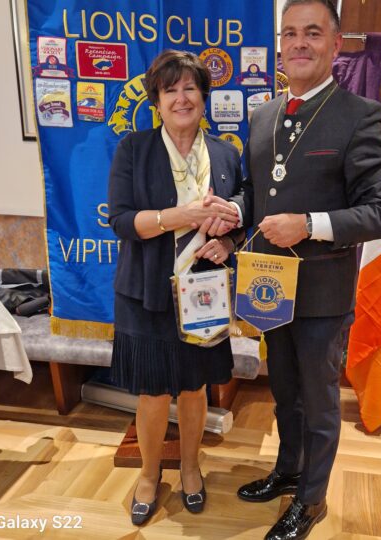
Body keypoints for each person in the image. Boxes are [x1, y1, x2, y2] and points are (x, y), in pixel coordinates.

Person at [230, 1, 381, 538]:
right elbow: (255, 192)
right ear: (280, 46)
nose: (299, 43)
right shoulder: (262, 116)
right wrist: (231, 211)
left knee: (320, 402)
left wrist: (308, 224)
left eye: (312, 33)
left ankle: (312, 500)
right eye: (290, 34)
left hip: (323, 293)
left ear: (336, 43)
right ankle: (289, 470)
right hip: (269, 287)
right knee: (284, 391)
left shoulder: (360, 115)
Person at [108, 49, 244, 526]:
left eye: (190, 88)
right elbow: (122, 221)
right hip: (146, 293)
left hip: (203, 295)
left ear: (204, 97)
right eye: (170, 90)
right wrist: (181, 216)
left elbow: (241, 212)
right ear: (157, 101)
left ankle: (189, 468)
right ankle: (149, 476)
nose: (181, 98)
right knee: (151, 392)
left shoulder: (226, 154)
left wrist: (228, 242)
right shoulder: (134, 149)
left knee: (193, 388)